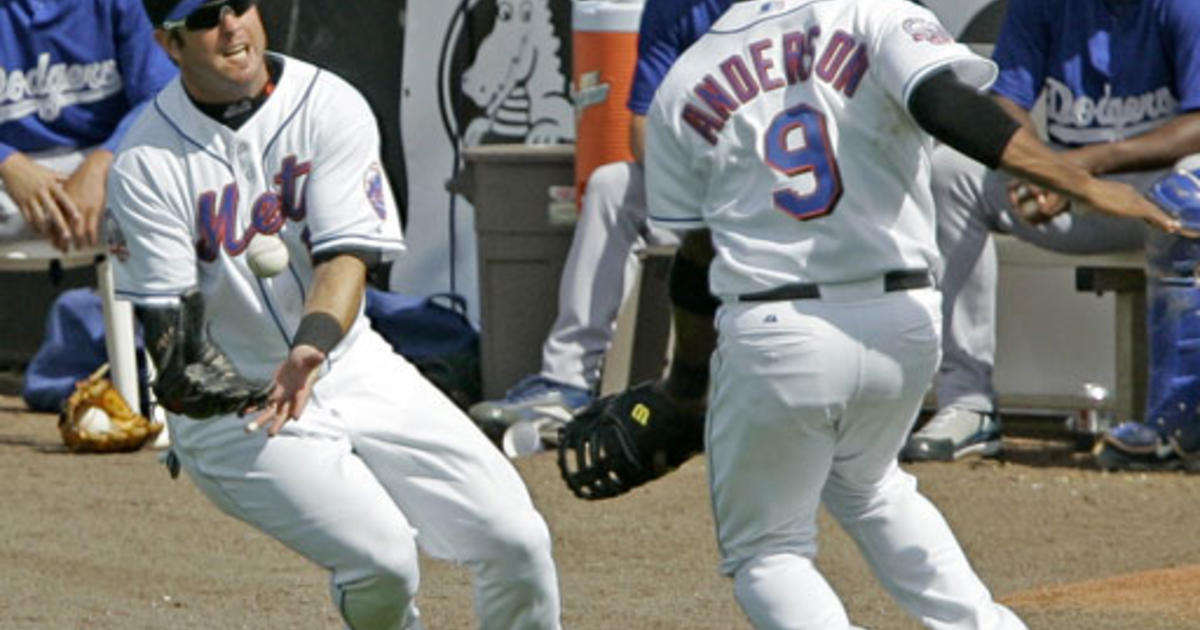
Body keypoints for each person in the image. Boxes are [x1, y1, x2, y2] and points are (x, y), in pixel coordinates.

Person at [642, 0, 1177, 627]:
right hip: (902, 320)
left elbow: (697, 258)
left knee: (768, 552)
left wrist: (684, 386)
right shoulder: (875, 13)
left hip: (777, 330)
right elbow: (947, 106)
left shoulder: (688, 75)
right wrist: (1078, 181)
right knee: (870, 486)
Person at [106, 1, 563, 628]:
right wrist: (228, 392)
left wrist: (312, 344)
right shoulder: (145, 159)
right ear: (170, 44)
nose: (232, 26)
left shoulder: (327, 102)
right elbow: (175, 346)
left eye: (239, 4)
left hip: (349, 359)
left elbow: (346, 254)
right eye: (208, 16)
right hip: (233, 411)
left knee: (517, 540)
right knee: (384, 561)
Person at [902, 0, 1200, 462]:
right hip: (1068, 197)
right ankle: (969, 404)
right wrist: (1043, 175)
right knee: (951, 170)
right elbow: (1006, 104)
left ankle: (1174, 426)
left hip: (1155, 201)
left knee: (1195, 182)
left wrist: (1079, 168)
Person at [467, 0, 732, 445]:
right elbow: (641, 125)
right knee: (613, 185)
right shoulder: (674, 8)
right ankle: (566, 382)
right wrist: (688, 195)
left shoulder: (803, 9)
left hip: (786, 201)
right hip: (701, 187)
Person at [1, 0, 176, 254]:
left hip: (104, 158)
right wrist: (6, 162)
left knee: (168, 175)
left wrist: (102, 163)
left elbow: (162, 97)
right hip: (10, 180)